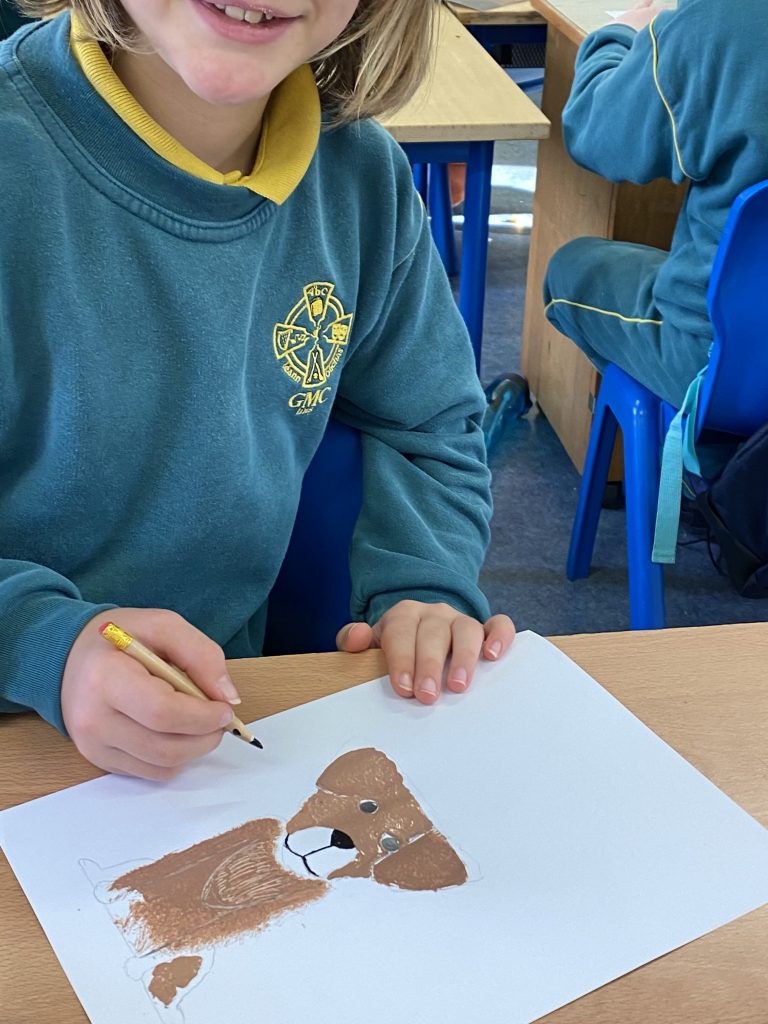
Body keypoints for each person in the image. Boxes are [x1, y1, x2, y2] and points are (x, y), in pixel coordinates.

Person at [0, 0, 515, 780]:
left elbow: (430, 423)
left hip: (210, 739)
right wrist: (44, 645)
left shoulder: (361, 178)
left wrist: (425, 581)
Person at [543, 0, 768, 410]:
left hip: (724, 363)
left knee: (571, 268)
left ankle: (687, 435)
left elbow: (595, 133)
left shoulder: (718, 17)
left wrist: (621, 36)